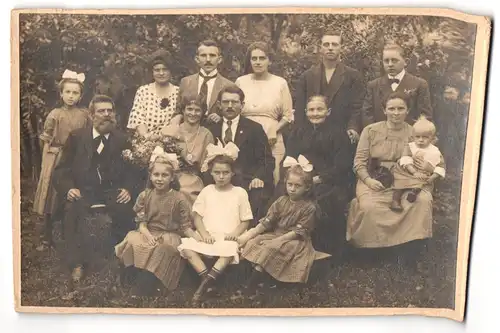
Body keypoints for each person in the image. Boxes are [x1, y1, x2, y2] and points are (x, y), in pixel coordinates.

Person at [346, 91, 436, 269]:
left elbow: (432, 159)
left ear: (408, 110)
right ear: (384, 110)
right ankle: (371, 250)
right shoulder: (370, 131)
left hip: (407, 179)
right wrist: (368, 180)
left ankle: (408, 249)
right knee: (369, 207)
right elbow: (359, 162)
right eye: (391, 108)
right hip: (375, 177)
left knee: (422, 201)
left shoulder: (415, 132)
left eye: (401, 108)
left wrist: (425, 166)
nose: (396, 113)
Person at [53, 94, 136, 283]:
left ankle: (122, 260)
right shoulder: (76, 137)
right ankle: (77, 263)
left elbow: (133, 171)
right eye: (101, 111)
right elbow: (61, 170)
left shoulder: (122, 140)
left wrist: (128, 189)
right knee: (72, 210)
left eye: (110, 111)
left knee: (126, 210)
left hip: (111, 192)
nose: (106, 115)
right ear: (91, 115)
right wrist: (69, 188)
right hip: (83, 191)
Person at [237, 163, 329, 294]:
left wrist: (276, 242)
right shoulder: (281, 201)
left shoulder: (309, 207)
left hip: (295, 240)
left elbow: (297, 232)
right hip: (277, 234)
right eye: (290, 184)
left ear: (307, 187)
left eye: (297, 186)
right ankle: (257, 279)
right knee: (254, 242)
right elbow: (267, 222)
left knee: (271, 248)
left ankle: (251, 287)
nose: (292, 189)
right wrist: (250, 234)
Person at [178, 149, 253, 306]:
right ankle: (208, 281)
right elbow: (197, 216)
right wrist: (204, 234)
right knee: (187, 248)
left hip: (228, 236)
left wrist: (234, 234)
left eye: (225, 172)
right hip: (210, 235)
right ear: (211, 173)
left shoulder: (239, 193)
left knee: (229, 250)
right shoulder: (207, 191)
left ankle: (202, 288)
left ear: (233, 173)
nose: (221, 176)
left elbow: (245, 220)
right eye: (217, 172)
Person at [115, 154, 198, 296]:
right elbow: (142, 224)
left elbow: (186, 227)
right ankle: (129, 276)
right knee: (133, 240)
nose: (159, 179)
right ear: (151, 176)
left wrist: (199, 239)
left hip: (169, 235)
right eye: (156, 175)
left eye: (164, 175)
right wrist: (148, 236)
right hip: (148, 231)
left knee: (161, 250)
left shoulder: (179, 198)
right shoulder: (145, 196)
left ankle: (145, 286)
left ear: (172, 178)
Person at [284, 95, 353, 258]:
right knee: (281, 196)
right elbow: (289, 157)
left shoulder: (338, 133)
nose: (315, 113)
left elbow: (342, 165)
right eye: (311, 110)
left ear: (328, 111)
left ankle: (322, 249)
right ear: (306, 112)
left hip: (329, 181)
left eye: (319, 109)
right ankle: (286, 244)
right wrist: (296, 178)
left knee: (322, 201)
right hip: (300, 179)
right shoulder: (298, 131)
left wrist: (317, 179)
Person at [33, 69, 90, 251]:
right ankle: (46, 236)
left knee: (69, 196)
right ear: (61, 93)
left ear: (81, 95)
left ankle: (70, 233)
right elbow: (46, 139)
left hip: (75, 159)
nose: (71, 96)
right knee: (51, 197)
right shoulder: (55, 114)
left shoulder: (84, 114)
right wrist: (50, 161)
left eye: (75, 93)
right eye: (67, 92)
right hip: (56, 158)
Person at [204, 85, 275, 222]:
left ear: (242, 105)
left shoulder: (254, 128)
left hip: (246, 180)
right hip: (218, 179)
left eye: (234, 102)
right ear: (219, 105)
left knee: (258, 194)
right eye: (225, 102)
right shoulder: (211, 128)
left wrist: (258, 177)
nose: (230, 106)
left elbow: (267, 159)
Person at [235, 42, 293, 185]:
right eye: (254, 58)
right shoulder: (241, 81)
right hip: (245, 137)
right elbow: (234, 109)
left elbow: (288, 115)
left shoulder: (280, 83)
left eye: (262, 58)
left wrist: (274, 129)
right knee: (244, 178)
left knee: (271, 179)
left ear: (269, 60)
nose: (258, 62)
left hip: (271, 137)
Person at [294, 29, 365, 145]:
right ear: (320, 48)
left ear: (341, 47)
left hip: (342, 136)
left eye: (334, 44)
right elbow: (300, 108)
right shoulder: (307, 76)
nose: (330, 48)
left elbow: (357, 107)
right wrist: (301, 132)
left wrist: (353, 127)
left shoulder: (353, 76)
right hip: (313, 135)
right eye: (326, 44)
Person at [361, 43, 433, 128]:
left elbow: (424, 115)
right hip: (380, 137)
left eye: (394, 60)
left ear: (406, 62)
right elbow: (367, 115)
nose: (390, 64)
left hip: (409, 137)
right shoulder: (373, 85)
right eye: (386, 61)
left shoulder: (419, 84)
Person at [160, 95, 215, 204]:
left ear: (203, 112)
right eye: (189, 109)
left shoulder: (206, 134)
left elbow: (207, 166)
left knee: (184, 192)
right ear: (183, 110)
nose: (193, 113)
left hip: (194, 178)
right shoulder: (172, 131)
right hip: (170, 176)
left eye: (197, 110)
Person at [171, 39, 233, 126]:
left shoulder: (228, 85)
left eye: (212, 55)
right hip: (189, 133)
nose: (208, 60)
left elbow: (233, 115)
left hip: (215, 133)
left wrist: (221, 118)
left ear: (219, 59)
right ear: (197, 59)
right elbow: (179, 110)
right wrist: (177, 119)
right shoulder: (186, 82)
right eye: (203, 55)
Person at [390, 115, 446, 212]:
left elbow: (440, 166)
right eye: (418, 137)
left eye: (425, 137)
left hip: (424, 175)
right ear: (413, 137)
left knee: (423, 184)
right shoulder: (410, 147)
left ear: (432, 138)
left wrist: (432, 177)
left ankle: (414, 192)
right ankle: (395, 201)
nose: (420, 140)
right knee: (400, 183)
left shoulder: (435, 151)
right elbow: (405, 159)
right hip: (408, 172)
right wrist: (414, 172)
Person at [127, 49, 179, 139]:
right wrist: (147, 137)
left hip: (170, 142)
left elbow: (178, 121)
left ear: (170, 71)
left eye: (165, 69)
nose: (161, 73)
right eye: (157, 70)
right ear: (152, 72)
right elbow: (138, 119)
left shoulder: (178, 92)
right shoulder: (143, 91)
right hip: (146, 141)